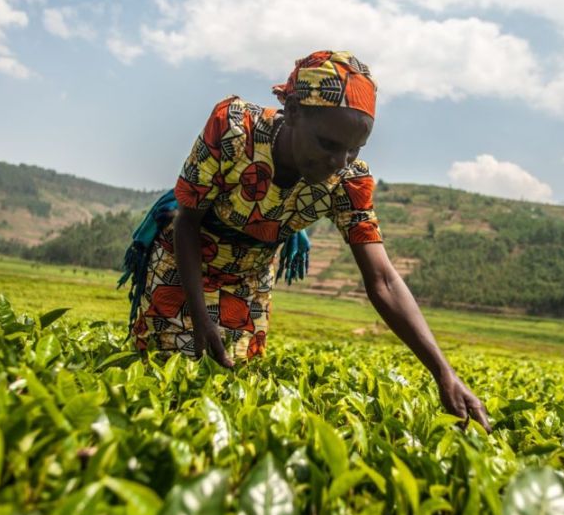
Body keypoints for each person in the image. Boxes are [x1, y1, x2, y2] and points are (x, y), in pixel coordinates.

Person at [131, 50, 491, 432]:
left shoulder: (349, 181)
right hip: (184, 259)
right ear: (294, 111)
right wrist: (200, 316)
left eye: (354, 149)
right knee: (163, 382)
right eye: (328, 144)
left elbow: (383, 280)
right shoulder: (234, 129)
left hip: (249, 278)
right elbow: (187, 221)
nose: (340, 160)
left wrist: (443, 372)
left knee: (228, 390)